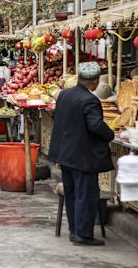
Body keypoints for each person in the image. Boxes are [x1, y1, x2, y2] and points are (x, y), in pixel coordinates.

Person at [48, 62, 114, 246]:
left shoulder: (64, 94)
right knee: (86, 194)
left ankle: (74, 231)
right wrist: (110, 134)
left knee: (72, 194)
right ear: (95, 82)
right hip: (83, 155)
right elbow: (94, 125)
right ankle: (83, 235)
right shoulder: (90, 100)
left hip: (66, 153)